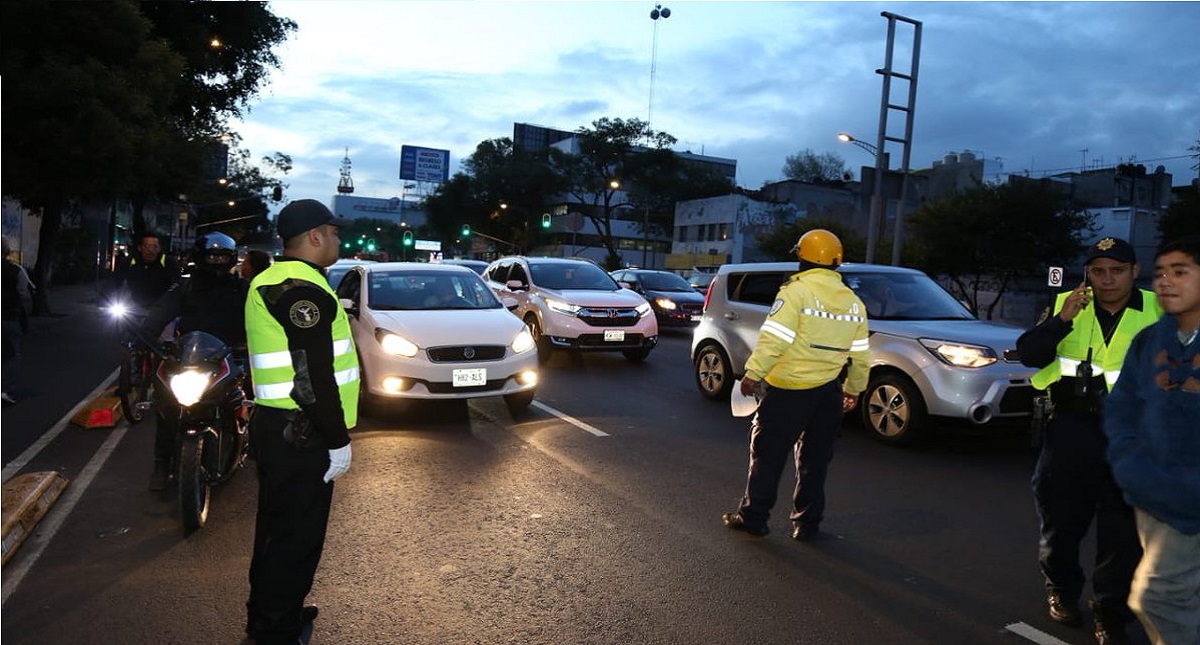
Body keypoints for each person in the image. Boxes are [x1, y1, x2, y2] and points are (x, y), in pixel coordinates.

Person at [1017, 236, 1162, 644]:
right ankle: (1061, 590)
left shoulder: (1159, 310)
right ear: (1088, 274)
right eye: (1098, 271)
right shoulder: (1069, 303)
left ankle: (1109, 613)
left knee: (1122, 536)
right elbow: (1030, 353)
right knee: (1062, 524)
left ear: (1135, 271)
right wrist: (1061, 320)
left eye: (1117, 270)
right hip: (1071, 433)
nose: (1107, 279)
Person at [243, 199, 358, 645]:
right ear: (314, 236)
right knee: (296, 536)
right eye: (334, 232)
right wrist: (337, 439)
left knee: (277, 529)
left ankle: (275, 612)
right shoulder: (300, 289)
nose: (338, 240)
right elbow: (313, 379)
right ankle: (275, 629)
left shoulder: (279, 280)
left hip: (281, 429)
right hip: (300, 433)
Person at [722, 229, 870, 541]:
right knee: (815, 461)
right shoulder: (854, 302)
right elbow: (860, 355)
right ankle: (807, 524)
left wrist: (752, 374)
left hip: (789, 391)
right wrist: (854, 390)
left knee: (768, 455)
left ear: (803, 258)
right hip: (829, 392)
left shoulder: (795, 293)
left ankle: (754, 518)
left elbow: (775, 341)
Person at [1103, 235, 1200, 645]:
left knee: (1158, 598)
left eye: (1180, 272)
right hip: (1151, 494)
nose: (1165, 282)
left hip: (1187, 501)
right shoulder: (1150, 340)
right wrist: (1130, 464)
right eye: (1161, 272)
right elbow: (1123, 406)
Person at [139, 232, 249, 491]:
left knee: (247, 398)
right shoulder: (185, 286)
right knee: (166, 404)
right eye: (212, 256)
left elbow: (261, 320)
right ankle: (161, 463)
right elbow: (161, 310)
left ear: (231, 259)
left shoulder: (242, 289)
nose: (216, 261)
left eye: (222, 257)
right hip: (189, 358)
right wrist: (145, 334)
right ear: (201, 258)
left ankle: (247, 442)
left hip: (230, 358)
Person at [108, 231, 181, 311]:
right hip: (132, 308)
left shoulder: (169, 263)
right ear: (140, 248)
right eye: (147, 246)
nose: (150, 250)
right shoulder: (129, 262)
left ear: (159, 248)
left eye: (154, 246)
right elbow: (114, 282)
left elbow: (176, 284)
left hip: (162, 309)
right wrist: (104, 298)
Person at [2, 237, 36, 405]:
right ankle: (6, 390)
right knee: (12, 354)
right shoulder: (16, 270)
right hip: (8, 317)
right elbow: (24, 294)